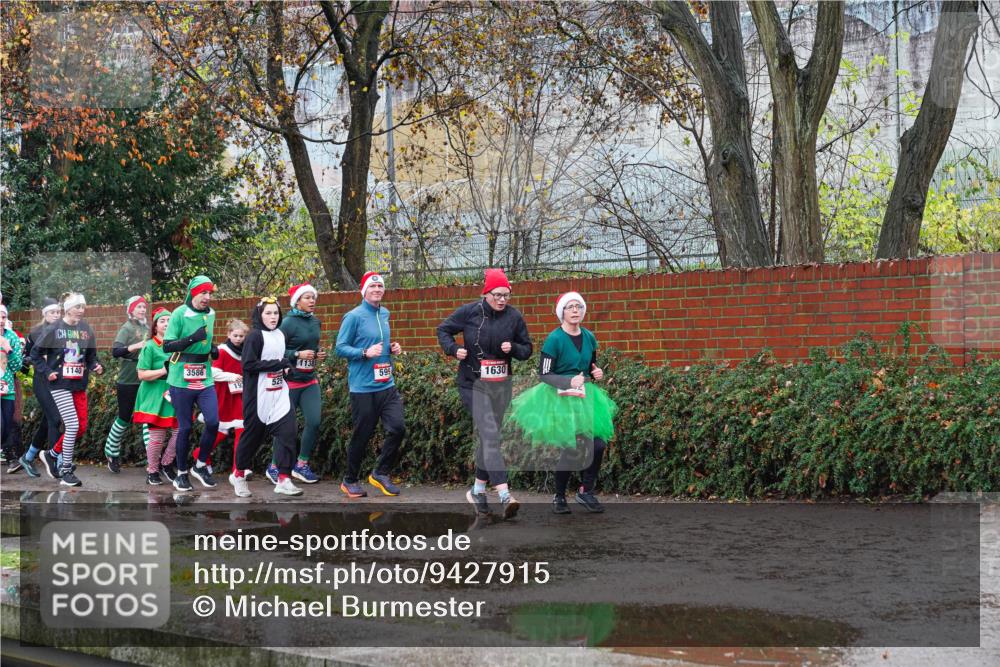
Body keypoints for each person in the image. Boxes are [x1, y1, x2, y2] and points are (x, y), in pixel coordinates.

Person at [508, 292, 617, 514]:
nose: (575, 310)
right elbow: (544, 374)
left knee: (598, 445)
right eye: (570, 307)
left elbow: (591, 365)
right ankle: (559, 496)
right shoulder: (554, 339)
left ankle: (586, 490)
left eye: (579, 306)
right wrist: (568, 381)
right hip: (558, 397)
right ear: (562, 313)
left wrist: (596, 373)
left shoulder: (589, 337)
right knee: (571, 447)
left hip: (585, 397)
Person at [437, 268, 532, 519]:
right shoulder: (469, 312)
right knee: (489, 432)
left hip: (501, 385)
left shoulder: (514, 317)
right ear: (486, 293)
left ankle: (478, 489)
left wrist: (513, 348)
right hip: (472, 383)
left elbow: (527, 349)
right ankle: (504, 494)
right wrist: (453, 349)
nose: (502, 300)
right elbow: (443, 330)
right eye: (498, 295)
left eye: (506, 295)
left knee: (491, 436)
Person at [335, 272, 404, 498]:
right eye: (372, 287)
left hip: (386, 384)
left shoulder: (384, 313)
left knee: (397, 428)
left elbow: (380, 345)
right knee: (362, 436)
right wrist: (364, 353)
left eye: (380, 286)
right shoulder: (353, 316)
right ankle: (349, 480)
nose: (377, 289)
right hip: (363, 388)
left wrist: (392, 348)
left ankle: (380, 473)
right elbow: (340, 348)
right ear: (364, 291)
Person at [29, 292, 104, 487]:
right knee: (71, 425)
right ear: (68, 308)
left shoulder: (86, 329)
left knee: (81, 427)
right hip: (59, 384)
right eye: (78, 307)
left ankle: (51, 454)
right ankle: (66, 470)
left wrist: (96, 366)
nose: (81, 311)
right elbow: (34, 354)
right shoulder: (54, 329)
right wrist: (47, 372)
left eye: (83, 307)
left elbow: (91, 356)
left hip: (78, 384)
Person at [229, 297, 301, 498]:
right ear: (260, 315)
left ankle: (284, 478)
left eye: (276, 313)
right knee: (252, 438)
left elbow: (281, 362)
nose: (273, 317)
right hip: (258, 396)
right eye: (268, 313)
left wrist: (287, 369)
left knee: (288, 434)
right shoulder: (254, 336)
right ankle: (239, 474)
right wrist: (278, 363)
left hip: (280, 394)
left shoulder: (280, 334)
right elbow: (248, 365)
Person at [163, 275, 220, 492]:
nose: (207, 297)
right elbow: (167, 347)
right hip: (180, 377)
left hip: (204, 375)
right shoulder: (179, 313)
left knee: (213, 422)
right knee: (185, 427)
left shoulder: (211, 313)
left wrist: (212, 347)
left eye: (209, 293)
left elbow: (206, 337)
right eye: (203, 293)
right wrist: (192, 339)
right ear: (193, 293)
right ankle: (182, 474)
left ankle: (200, 464)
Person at [267, 283, 325, 484]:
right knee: (286, 427)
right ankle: (274, 466)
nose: (312, 301)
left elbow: (312, 347)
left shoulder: (316, 322)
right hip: (289, 382)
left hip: (309, 380)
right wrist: (296, 354)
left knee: (314, 421)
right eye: (307, 297)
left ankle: (301, 465)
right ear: (297, 301)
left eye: (313, 297)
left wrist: (318, 354)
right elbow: (275, 351)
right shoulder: (287, 324)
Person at [14, 299, 62, 477]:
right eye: (52, 312)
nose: (56, 315)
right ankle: (56, 462)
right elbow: (26, 357)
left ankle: (28, 456)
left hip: (58, 382)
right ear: (44, 314)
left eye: (58, 312)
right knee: (56, 420)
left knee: (48, 420)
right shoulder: (36, 333)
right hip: (42, 382)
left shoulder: (63, 332)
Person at [132, 308, 178, 485]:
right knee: (157, 437)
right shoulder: (150, 346)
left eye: (169, 320)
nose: (166, 324)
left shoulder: (178, 345)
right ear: (155, 326)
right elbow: (142, 375)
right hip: (154, 394)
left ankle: (166, 463)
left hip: (175, 392)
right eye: (162, 321)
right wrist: (163, 370)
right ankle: (152, 471)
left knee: (180, 432)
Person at [104, 295, 149, 473]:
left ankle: (153, 460)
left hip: (146, 377)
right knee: (124, 417)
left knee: (148, 417)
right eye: (138, 308)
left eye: (144, 308)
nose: (142, 310)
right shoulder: (127, 328)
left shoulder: (147, 327)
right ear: (131, 310)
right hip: (128, 378)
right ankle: (111, 452)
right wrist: (136, 346)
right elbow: (116, 351)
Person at [207, 319, 250, 479]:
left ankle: (237, 469)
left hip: (239, 394)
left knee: (242, 429)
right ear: (228, 334)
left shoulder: (246, 351)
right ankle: (201, 456)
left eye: (241, 336)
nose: (238, 339)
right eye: (235, 335)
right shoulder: (222, 351)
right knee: (222, 432)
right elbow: (213, 373)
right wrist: (232, 376)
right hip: (223, 394)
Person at [0, 305, 25, 466]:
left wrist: (8, 349)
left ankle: (9, 456)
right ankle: (10, 457)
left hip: (7, 389)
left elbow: (17, 366)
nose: (1, 321)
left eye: (3, 317)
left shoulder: (12, 337)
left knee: (8, 424)